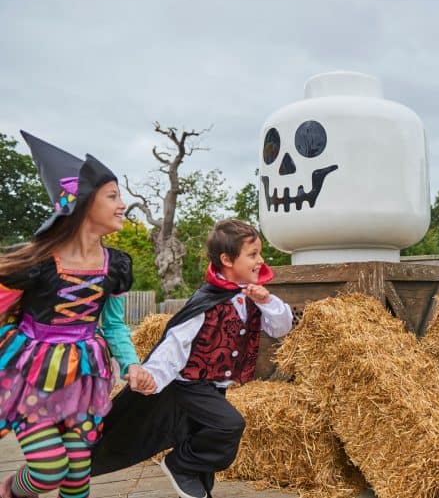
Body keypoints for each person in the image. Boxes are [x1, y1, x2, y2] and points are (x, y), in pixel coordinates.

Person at [0, 132, 155, 498]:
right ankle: (10, 491)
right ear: (84, 204)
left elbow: (114, 323)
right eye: (113, 196)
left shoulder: (115, 265)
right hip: (33, 376)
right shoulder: (35, 263)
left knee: (78, 471)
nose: (122, 205)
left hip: (85, 376)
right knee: (48, 469)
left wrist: (131, 364)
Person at [92, 219, 293, 498]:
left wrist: (267, 300)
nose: (261, 260)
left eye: (259, 253)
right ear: (227, 259)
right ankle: (179, 464)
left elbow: (282, 327)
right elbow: (175, 342)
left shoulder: (251, 295)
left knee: (204, 448)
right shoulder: (205, 300)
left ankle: (197, 483)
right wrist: (152, 373)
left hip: (216, 386)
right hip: (190, 385)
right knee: (229, 425)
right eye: (253, 254)